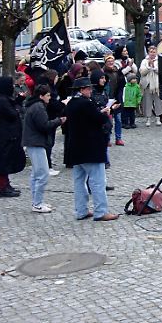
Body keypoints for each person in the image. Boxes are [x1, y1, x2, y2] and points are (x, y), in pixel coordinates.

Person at [63, 76, 118, 221]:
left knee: (79, 182)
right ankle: (101, 211)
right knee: (98, 181)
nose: (91, 91)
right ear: (82, 90)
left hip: (75, 148)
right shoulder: (86, 104)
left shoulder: (71, 103)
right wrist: (106, 112)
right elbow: (98, 119)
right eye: (88, 88)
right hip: (91, 148)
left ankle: (81, 210)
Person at [22, 85, 63, 213]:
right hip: (36, 143)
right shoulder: (38, 108)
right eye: (48, 95)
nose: (49, 98)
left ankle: (37, 201)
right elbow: (44, 125)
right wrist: (59, 121)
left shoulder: (35, 106)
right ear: (41, 96)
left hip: (33, 142)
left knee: (36, 174)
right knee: (42, 174)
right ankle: (37, 203)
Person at [0, 75, 25, 198]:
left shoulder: (5, 98)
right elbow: (12, 114)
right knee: (3, 162)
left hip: (9, 134)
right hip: (5, 135)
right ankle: (3, 188)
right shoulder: (1, 100)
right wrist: (17, 109)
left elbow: (13, 106)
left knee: (7, 161)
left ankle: (7, 185)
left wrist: (19, 100)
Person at [139, 47, 162, 126]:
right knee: (147, 102)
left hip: (157, 84)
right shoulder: (144, 61)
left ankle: (158, 117)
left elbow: (161, 71)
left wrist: (154, 67)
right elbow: (142, 72)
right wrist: (149, 67)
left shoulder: (159, 60)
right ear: (148, 53)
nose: (152, 53)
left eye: (154, 52)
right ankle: (148, 118)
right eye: (151, 52)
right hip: (147, 84)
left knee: (158, 102)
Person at [121, 72, 142, 138]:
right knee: (126, 114)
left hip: (133, 103)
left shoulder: (137, 87)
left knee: (132, 114)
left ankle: (132, 123)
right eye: (133, 79)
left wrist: (138, 100)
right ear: (129, 80)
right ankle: (126, 123)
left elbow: (139, 94)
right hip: (126, 103)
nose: (135, 80)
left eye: (135, 79)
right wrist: (123, 102)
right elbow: (123, 95)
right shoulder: (126, 87)